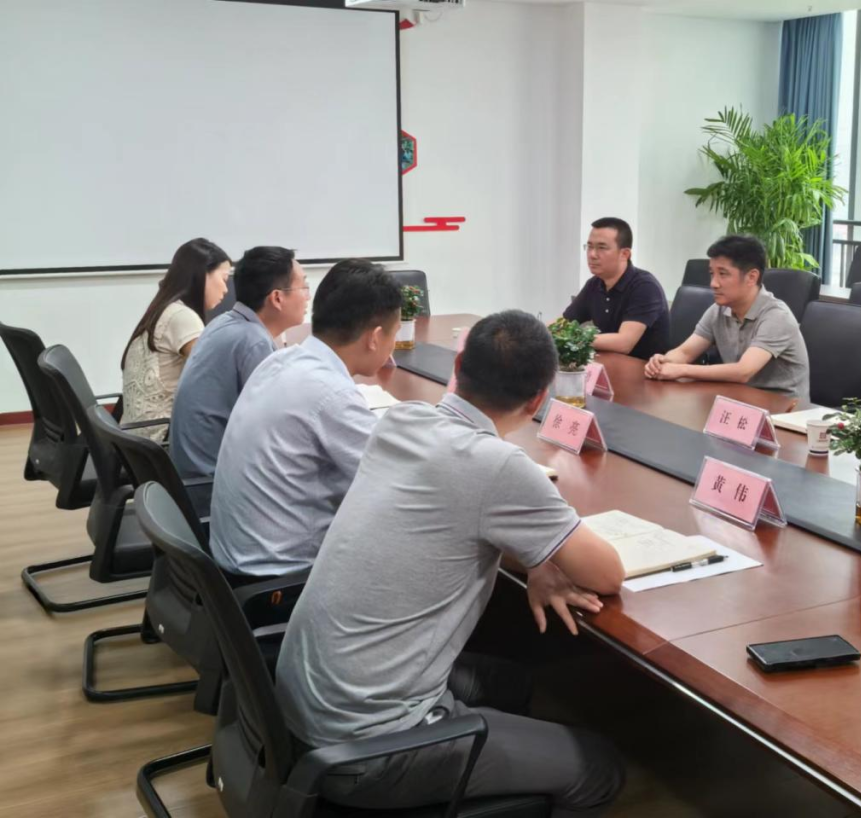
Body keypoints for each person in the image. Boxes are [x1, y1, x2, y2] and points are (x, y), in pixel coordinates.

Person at [276, 310, 626, 817]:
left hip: (302, 710)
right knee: (599, 766)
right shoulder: (499, 467)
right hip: (370, 753)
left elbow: (454, 518)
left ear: (458, 366)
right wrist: (541, 554)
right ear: (538, 400)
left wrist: (537, 560)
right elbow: (607, 575)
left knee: (510, 684)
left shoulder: (401, 421)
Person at [209, 260, 401, 577]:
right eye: (395, 333)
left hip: (234, 560)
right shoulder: (331, 394)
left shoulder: (282, 360)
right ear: (375, 337)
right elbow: (396, 481)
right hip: (280, 579)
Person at [168, 246, 309, 508]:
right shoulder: (253, 342)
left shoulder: (224, 323)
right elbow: (277, 434)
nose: (308, 296)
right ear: (277, 298)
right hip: (213, 491)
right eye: (304, 286)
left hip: (190, 480)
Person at [644, 235, 810, 401]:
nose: (713, 283)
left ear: (751, 277)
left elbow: (743, 371)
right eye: (712, 273)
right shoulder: (718, 310)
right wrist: (663, 362)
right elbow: (685, 352)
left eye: (723, 274)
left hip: (785, 408)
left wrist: (682, 370)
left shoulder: (777, 316)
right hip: (739, 399)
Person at [120, 239, 230, 441]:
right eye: (224, 279)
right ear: (202, 275)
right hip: (160, 439)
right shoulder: (182, 317)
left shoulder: (165, 309)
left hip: (136, 438)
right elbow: (212, 381)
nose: (226, 289)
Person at [562, 217, 669, 360]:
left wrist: (572, 338)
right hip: (608, 361)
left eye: (601, 248)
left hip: (645, 368)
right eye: (589, 246)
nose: (592, 255)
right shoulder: (595, 284)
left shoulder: (645, 286)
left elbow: (624, 343)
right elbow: (564, 323)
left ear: (624, 254)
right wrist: (537, 333)